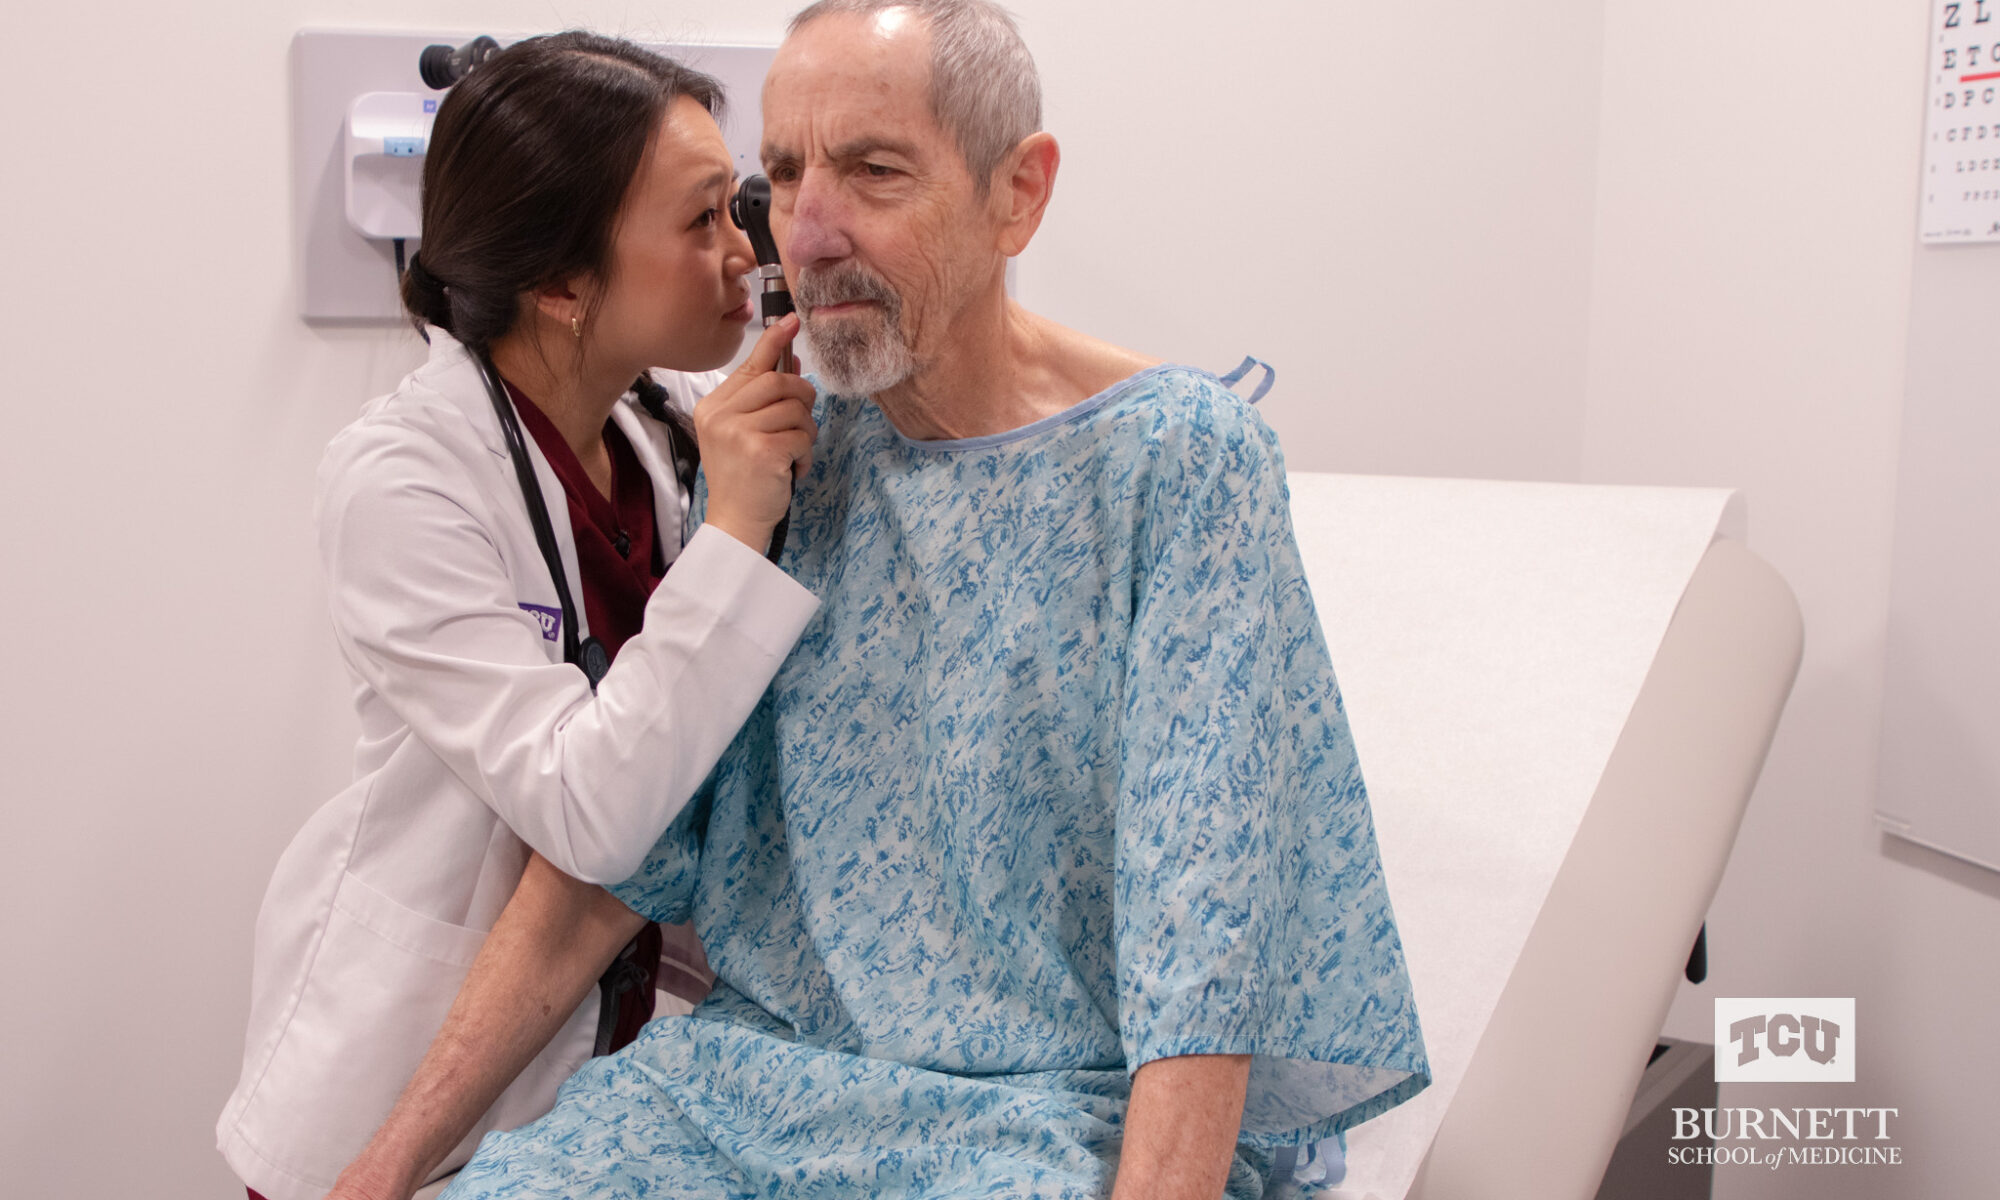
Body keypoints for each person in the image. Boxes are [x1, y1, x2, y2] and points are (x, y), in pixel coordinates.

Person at [338, 4, 1431, 1199]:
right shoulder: (774, 457)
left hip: (1036, 1125)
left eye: (872, 172)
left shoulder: (1176, 468)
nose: (803, 234)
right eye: (785, 173)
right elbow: (620, 853)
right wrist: (381, 1171)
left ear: (1017, 194)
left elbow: (1202, 946)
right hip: (736, 1097)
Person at [216, 33, 822, 1200]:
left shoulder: (660, 423)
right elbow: (591, 812)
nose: (745, 251)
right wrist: (738, 532)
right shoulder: (401, 480)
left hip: (618, 1066)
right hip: (403, 1090)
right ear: (560, 283)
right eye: (702, 222)